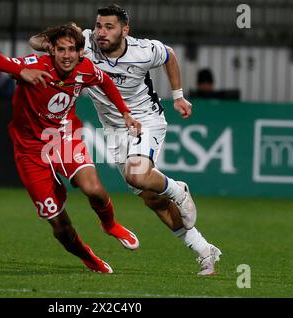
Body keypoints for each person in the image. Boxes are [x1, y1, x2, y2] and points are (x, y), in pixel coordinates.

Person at [30, 5, 221, 275]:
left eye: (109, 27)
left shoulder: (143, 50)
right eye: (98, 26)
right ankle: (204, 251)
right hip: (114, 131)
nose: (101, 32)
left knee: (137, 175)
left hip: (145, 120)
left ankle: (179, 190)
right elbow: (35, 43)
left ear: (124, 30)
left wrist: (178, 95)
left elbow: (170, 55)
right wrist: (59, 36)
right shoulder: (83, 43)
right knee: (153, 200)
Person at [0, 23, 142, 274]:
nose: (67, 55)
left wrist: (126, 113)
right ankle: (88, 256)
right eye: (61, 50)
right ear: (52, 50)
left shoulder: (85, 69)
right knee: (60, 226)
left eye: (72, 50)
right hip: (30, 150)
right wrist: (21, 71)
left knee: (94, 190)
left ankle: (109, 225)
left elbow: (106, 82)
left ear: (79, 52)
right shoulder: (35, 63)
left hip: (62, 138)